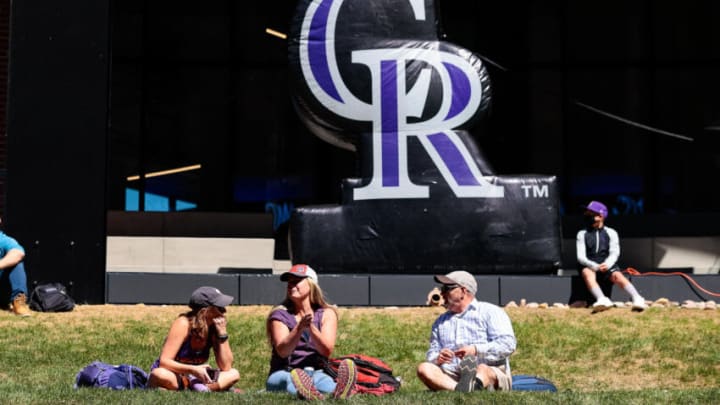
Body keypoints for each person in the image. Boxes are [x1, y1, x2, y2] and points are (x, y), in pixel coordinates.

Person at [266, 264, 356, 400]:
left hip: (316, 372)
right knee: (291, 381)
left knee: (327, 384)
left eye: (296, 281)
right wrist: (299, 328)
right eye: (289, 282)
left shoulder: (327, 313)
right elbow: (283, 351)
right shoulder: (279, 315)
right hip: (284, 372)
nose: (291, 285)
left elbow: (326, 351)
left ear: (311, 284)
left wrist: (311, 327)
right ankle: (305, 392)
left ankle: (338, 392)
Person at [417, 270, 516, 392]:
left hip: (489, 373)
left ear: (463, 291)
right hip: (451, 375)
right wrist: (438, 357)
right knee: (424, 368)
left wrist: (476, 350)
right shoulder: (440, 322)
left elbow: (508, 345)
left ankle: (473, 384)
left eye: (447, 288)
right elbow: (432, 352)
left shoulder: (491, 312)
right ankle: (463, 389)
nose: (441, 293)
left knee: (482, 369)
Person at [147, 286, 241, 392]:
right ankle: (202, 388)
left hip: (196, 378)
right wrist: (193, 370)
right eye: (220, 308)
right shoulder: (183, 324)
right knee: (159, 374)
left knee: (234, 373)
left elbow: (226, 367)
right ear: (205, 310)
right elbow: (164, 362)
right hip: (174, 374)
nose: (224, 311)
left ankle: (198, 389)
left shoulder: (214, 328)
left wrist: (222, 334)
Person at [577, 200, 648, 312]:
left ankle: (637, 298)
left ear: (600, 216)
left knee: (617, 275)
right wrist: (594, 266)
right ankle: (602, 299)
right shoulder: (582, 233)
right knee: (587, 273)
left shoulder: (611, 232)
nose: (587, 216)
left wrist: (608, 264)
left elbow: (615, 252)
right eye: (587, 213)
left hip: (606, 263)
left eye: (590, 213)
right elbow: (580, 257)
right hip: (589, 264)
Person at [0, 218, 31, 316]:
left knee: (17, 263)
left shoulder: (4, 240)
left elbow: (18, 253)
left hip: (2, 291)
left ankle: (19, 304)